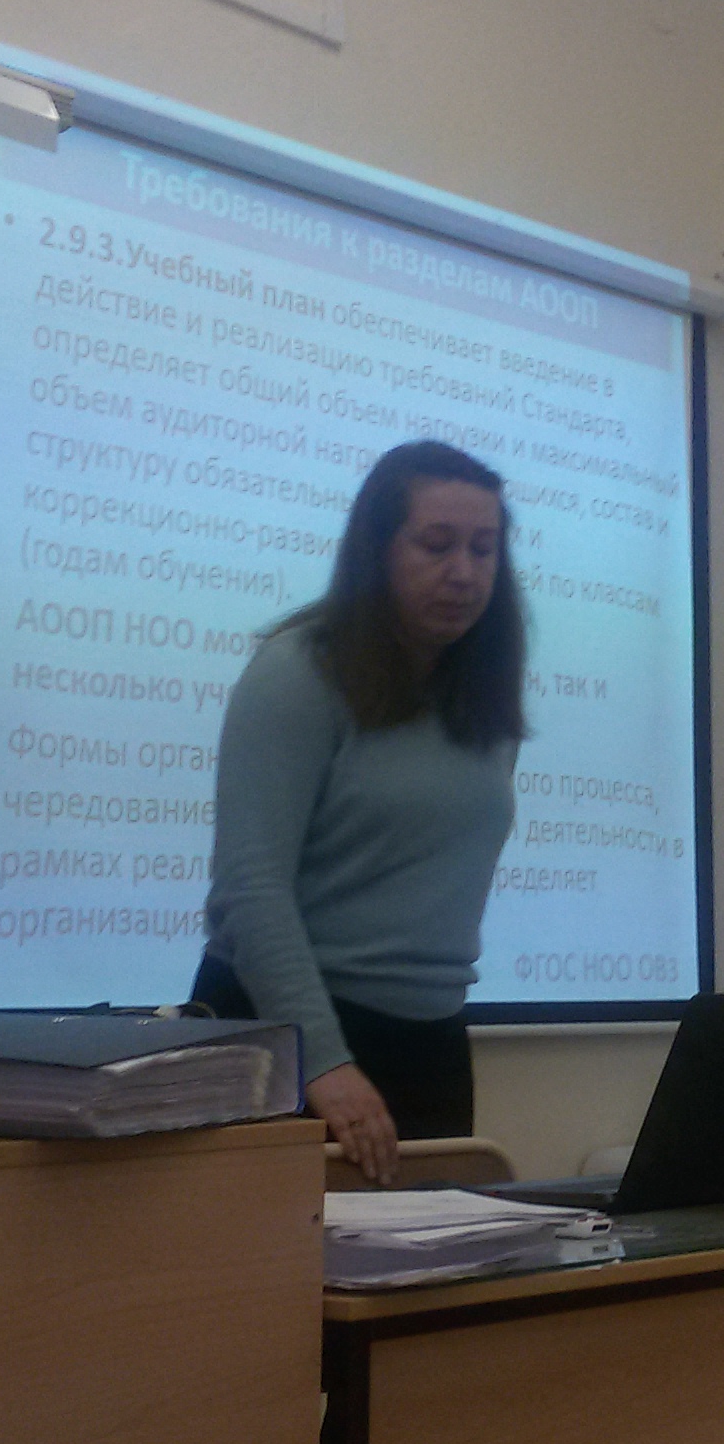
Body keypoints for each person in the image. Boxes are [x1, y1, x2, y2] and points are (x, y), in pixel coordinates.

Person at [195, 440, 525, 1185]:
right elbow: (251, 887)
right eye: (436, 545)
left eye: (483, 549)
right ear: (377, 549)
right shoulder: (298, 672)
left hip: (431, 1040)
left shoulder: (482, 696)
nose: (464, 571)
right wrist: (323, 1060)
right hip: (291, 1038)